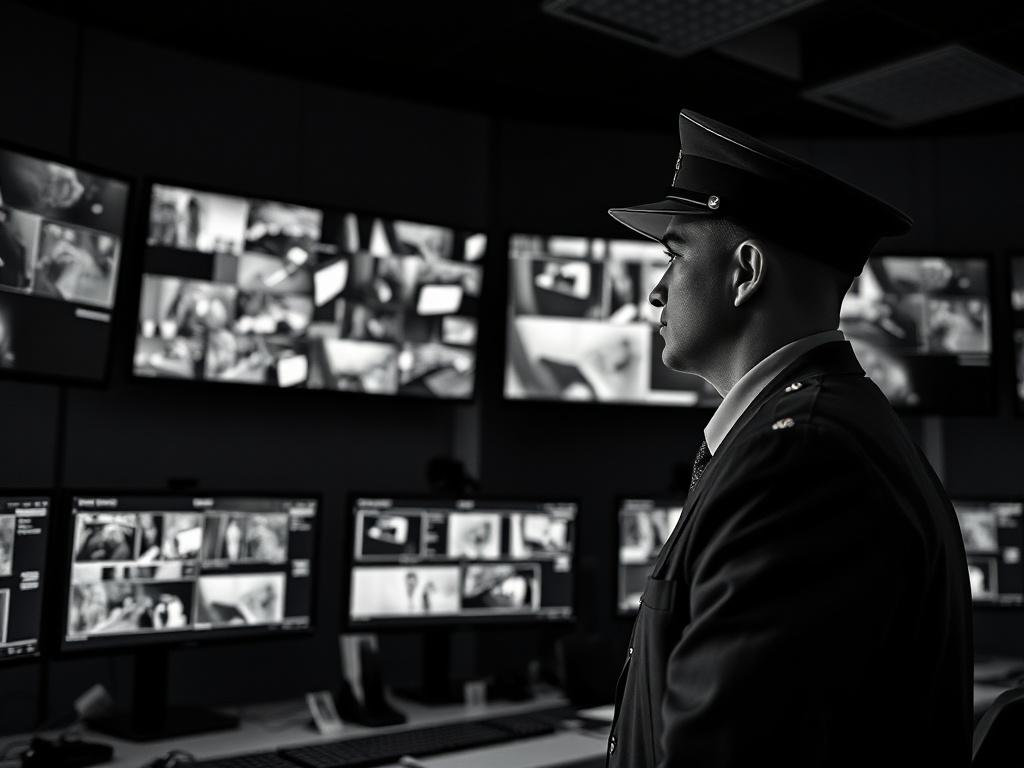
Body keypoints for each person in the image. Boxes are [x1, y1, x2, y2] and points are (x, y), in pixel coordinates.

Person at [604, 109, 972, 767]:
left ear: (745, 272)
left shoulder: (797, 458)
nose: (657, 292)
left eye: (674, 254)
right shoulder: (815, 430)